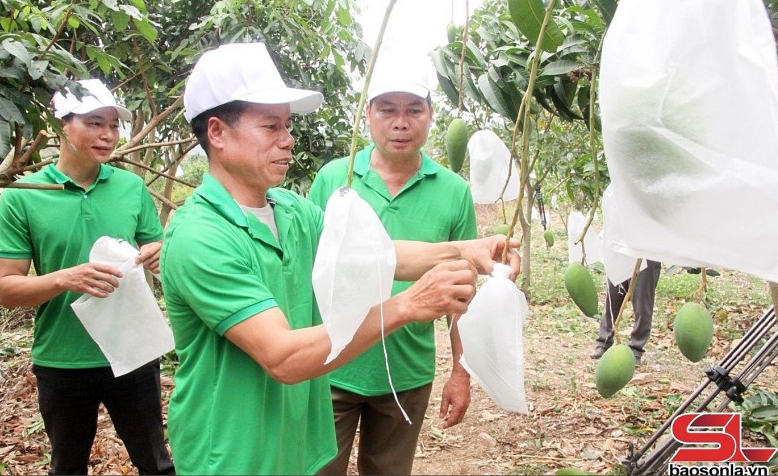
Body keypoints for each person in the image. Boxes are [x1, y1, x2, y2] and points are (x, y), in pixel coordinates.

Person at [159, 42, 520, 475]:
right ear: (217, 133)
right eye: (271, 126)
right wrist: (409, 305)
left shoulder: (290, 210)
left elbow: (380, 256)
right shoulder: (202, 235)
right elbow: (283, 357)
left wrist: (467, 251)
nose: (287, 140)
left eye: (288, 126)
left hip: (293, 440)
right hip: (232, 453)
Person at [0, 79, 175, 475]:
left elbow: (162, 256)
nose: (108, 135)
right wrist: (65, 278)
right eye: (95, 123)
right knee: (68, 466)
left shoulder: (131, 187)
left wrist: (162, 255)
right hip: (63, 359)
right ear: (62, 124)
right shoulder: (23, 196)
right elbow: (7, 289)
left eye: (113, 125)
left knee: (156, 464)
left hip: (134, 350)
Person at [308, 55, 475, 475]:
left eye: (413, 110)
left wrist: (461, 373)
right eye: (387, 110)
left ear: (430, 116)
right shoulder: (335, 179)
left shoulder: (454, 192)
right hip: (332, 368)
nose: (400, 122)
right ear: (368, 114)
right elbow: (309, 270)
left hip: (407, 373)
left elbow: (462, 292)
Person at [591, 260, 662, 364]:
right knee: (612, 300)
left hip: (647, 255)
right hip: (623, 252)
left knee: (642, 306)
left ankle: (636, 350)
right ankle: (603, 343)